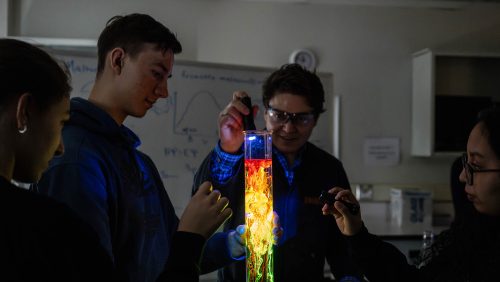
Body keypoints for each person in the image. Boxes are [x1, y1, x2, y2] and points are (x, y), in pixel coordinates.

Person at [34, 14, 237, 282]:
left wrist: (232, 244)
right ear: (118, 60)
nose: (164, 91)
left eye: (167, 78)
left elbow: (173, 251)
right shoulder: (76, 158)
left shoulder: (139, 163)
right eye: (156, 74)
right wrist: (190, 237)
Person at [193, 64, 363, 281]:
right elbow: (200, 199)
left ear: (316, 119)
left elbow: (343, 247)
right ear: (264, 113)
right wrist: (227, 150)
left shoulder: (329, 168)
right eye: (279, 115)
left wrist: (350, 277)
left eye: (301, 118)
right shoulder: (241, 157)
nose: (289, 128)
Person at [324, 106, 500, 282]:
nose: (462, 176)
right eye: (465, 161)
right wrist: (357, 234)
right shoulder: (473, 229)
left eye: (476, 166)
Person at [0, 38, 113, 281]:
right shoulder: (48, 231)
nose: (61, 147)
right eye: (61, 122)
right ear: (25, 111)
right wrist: (189, 242)